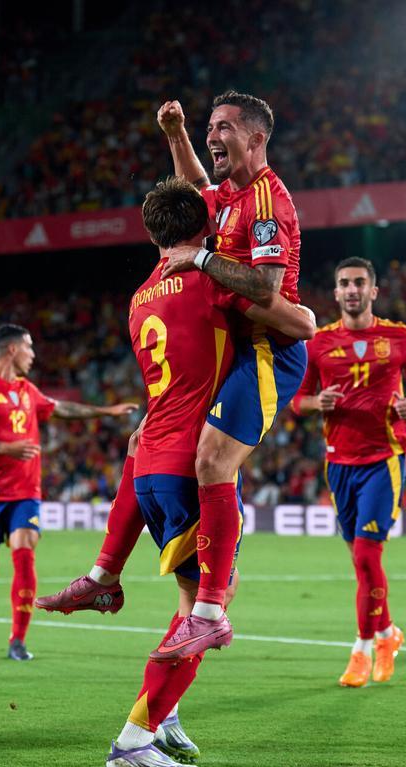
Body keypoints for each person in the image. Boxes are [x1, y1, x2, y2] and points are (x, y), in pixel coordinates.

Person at [38, 92, 308, 662]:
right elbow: (191, 201)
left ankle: (209, 612)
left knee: (211, 461)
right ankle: (104, 574)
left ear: (258, 137)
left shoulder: (266, 201)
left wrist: (204, 262)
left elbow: (266, 292)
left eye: (225, 128)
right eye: (211, 127)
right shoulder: (228, 194)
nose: (214, 136)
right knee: (144, 443)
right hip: (235, 336)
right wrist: (177, 134)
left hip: (265, 346)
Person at [100, 177, 315, 767]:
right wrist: (302, 314)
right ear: (207, 230)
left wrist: (174, 136)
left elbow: (195, 190)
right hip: (187, 467)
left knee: (188, 597)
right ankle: (133, 739)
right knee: (209, 604)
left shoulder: (144, 291)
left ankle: (161, 716)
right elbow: (298, 327)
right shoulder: (209, 282)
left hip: (152, 464)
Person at [0, 324, 137, 661]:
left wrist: (105, 412)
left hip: (25, 493)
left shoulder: (27, 390)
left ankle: (17, 641)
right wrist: (7, 448)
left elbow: (62, 408)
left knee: (24, 550)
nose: (34, 355)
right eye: (30, 348)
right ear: (12, 350)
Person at [292, 256, 406, 688]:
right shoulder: (316, 343)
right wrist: (317, 404)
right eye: (344, 283)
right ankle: (389, 633)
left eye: (359, 283)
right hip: (339, 462)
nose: (351, 290)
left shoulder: (399, 337)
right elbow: (296, 399)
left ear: (373, 291)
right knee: (361, 561)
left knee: (368, 555)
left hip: (385, 457)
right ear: (335, 293)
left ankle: (362, 648)